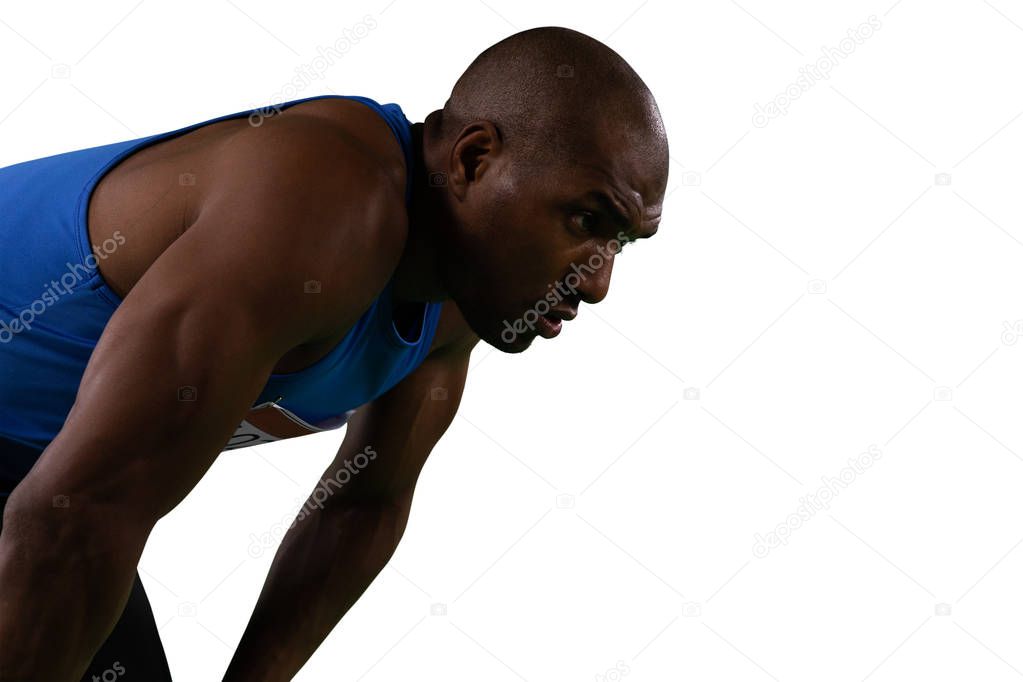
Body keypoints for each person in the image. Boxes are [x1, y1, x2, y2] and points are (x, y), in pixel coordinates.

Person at [0, 25, 668, 680]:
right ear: (472, 160)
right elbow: (80, 514)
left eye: (622, 242)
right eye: (586, 221)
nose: (599, 281)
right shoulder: (319, 208)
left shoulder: (457, 302)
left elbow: (362, 505)